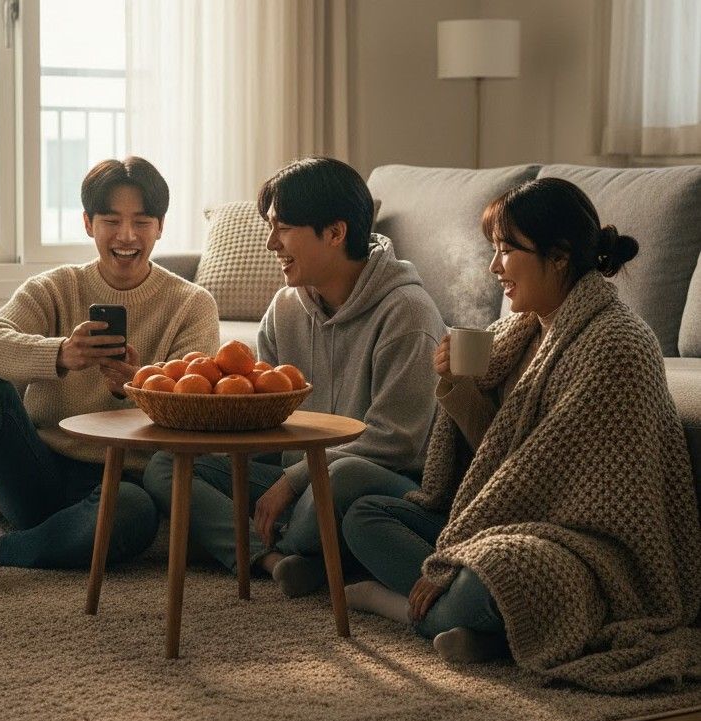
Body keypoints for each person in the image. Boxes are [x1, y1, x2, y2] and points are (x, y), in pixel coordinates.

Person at [342, 177, 701, 692]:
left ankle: (399, 605)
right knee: (366, 514)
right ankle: (489, 627)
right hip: (501, 514)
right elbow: (496, 455)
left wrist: (453, 558)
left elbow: (534, 477)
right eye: (493, 250)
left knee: (491, 575)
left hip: (583, 545)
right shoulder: (520, 331)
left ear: (558, 258)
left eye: (507, 250)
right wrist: (458, 389)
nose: (494, 268)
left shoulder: (615, 344)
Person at [0, 157, 219, 606]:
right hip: (39, 470)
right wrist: (59, 354)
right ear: (87, 224)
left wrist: (139, 383)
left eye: (141, 221)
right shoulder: (56, 287)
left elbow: (195, 405)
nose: (126, 236)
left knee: (134, 516)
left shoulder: (192, 304)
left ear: (160, 227)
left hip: (122, 484)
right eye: (111, 221)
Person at [143, 157, 446, 596]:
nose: (270, 244)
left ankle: (261, 543)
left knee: (340, 480)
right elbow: (263, 415)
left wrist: (292, 481)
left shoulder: (408, 314)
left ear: (336, 233)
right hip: (297, 484)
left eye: (282, 229)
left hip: (379, 485)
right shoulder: (286, 307)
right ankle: (273, 558)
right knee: (169, 464)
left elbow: (395, 441)